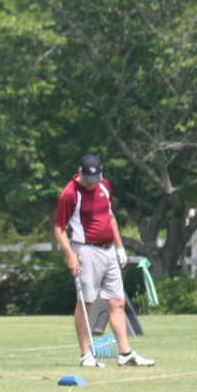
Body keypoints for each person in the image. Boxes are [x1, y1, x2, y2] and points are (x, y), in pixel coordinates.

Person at [53, 153, 154, 368]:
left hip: (109, 251)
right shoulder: (70, 194)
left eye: (96, 179)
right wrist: (70, 256)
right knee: (86, 302)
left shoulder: (104, 186)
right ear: (80, 174)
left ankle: (125, 353)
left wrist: (120, 248)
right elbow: (59, 229)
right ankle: (85, 354)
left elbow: (111, 218)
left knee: (117, 301)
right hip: (86, 252)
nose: (92, 185)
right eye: (89, 181)